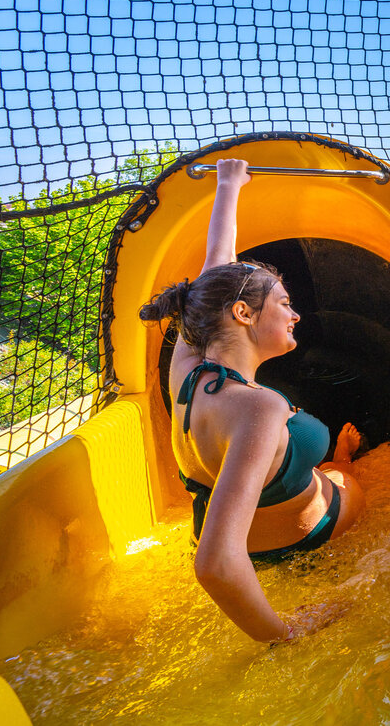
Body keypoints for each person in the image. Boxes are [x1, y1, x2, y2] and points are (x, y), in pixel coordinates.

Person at [139, 159, 364, 643]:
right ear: (242, 313)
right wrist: (285, 633)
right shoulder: (258, 409)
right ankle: (346, 460)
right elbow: (217, 564)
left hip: (226, 528)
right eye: (285, 302)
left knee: (316, 469)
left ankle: (332, 464)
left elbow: (215, 267)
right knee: (346, 475)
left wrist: (228, 185)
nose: (296, 314)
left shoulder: (187, 366)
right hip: (300, 538)